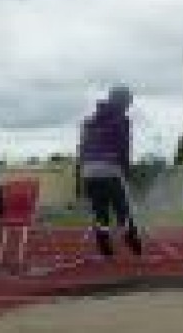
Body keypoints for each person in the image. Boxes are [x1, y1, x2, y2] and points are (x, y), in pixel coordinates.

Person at [78, 85, 143, 257]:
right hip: (109, 169)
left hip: (88, 171)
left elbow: (82, 149)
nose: (129, 105)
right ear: (121, 101)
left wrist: (81, 176)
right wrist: (127, 172)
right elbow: (124, 148)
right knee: (122, 207)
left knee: (100, 210)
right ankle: (132, 239)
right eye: (128, 101)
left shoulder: (89, 120)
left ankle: (104, 246)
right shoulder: (121, 120)